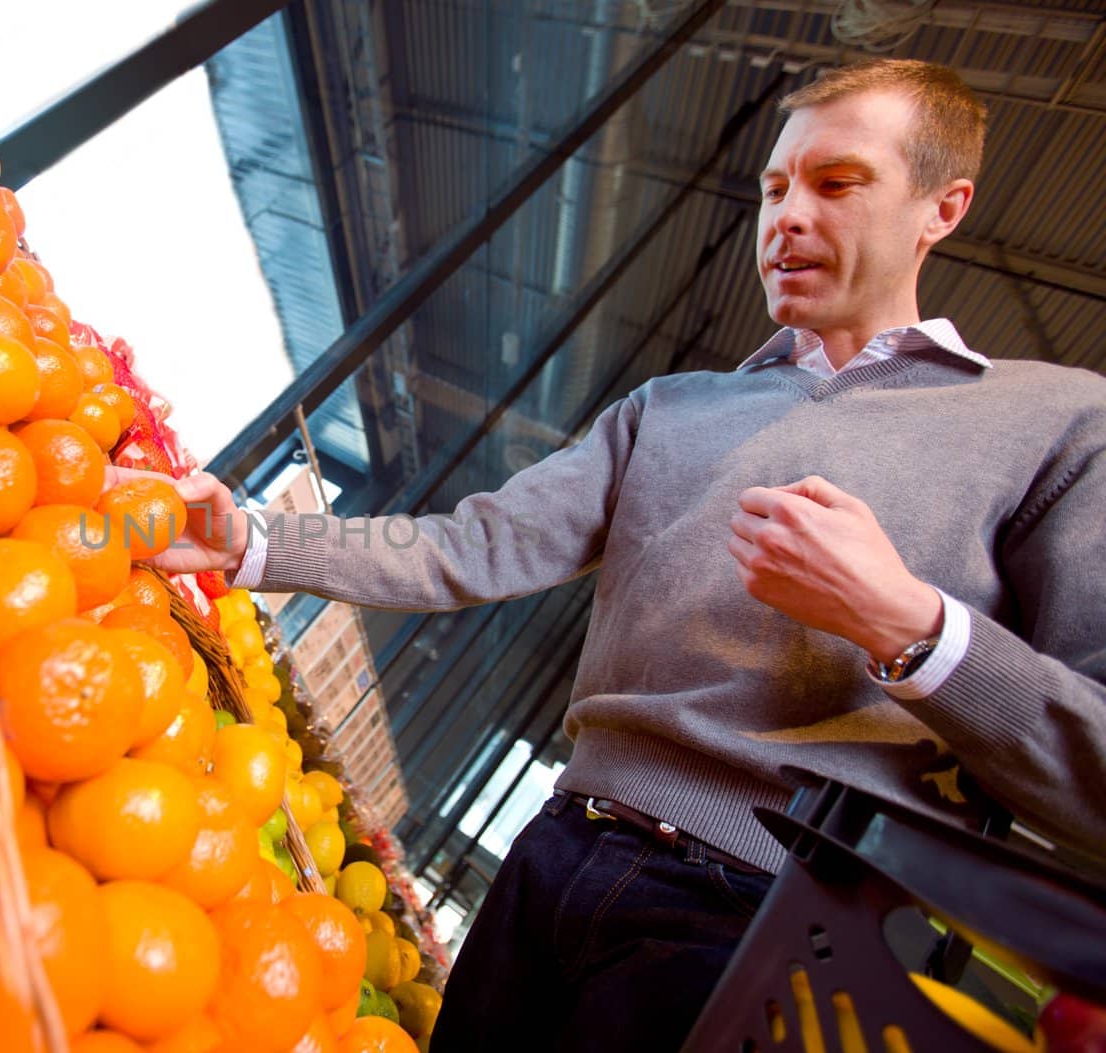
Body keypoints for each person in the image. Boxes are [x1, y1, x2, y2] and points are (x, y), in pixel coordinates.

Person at [114, 59, 1106, 1049]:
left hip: (773, 925)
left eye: (836, 183)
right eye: (772, 189)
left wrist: (911, 628)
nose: (786, 218)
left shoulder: (1054, 425)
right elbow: (476, 546)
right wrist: (246, 538)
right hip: (555, 860)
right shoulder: (669, 411)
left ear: (943, 206)